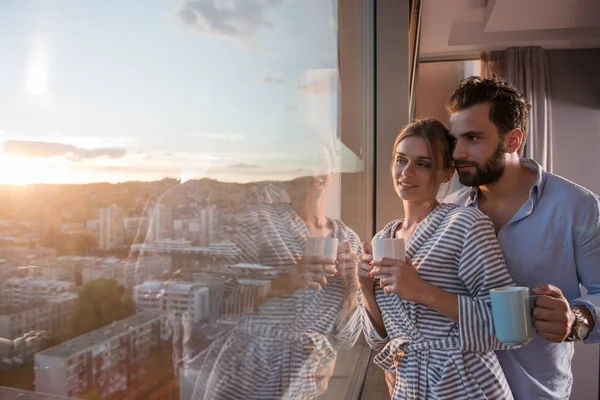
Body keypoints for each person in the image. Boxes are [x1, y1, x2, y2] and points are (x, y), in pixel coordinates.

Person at [445, 75, 600, 399]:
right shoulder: (447, 211)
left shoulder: (578, 206)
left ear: (513, 140)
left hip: (537, 392)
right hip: (457, 391)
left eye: (472, 138)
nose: (457, 152)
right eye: (454, 139)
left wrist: (578, 318)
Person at [185, 143, 362, 400]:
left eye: (319, 162)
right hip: (248, 373)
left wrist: (353, 285)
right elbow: (214, 306)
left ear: (331, 171)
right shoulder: (257, 221)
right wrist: (279, 284)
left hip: (307, 379)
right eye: (302, 162)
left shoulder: (349, 240)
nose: (312, 171)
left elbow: (347, 337)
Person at [358, 118, 517, 399]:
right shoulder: (383, 239)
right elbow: (378, 341)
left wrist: (423, 291)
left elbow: (507, 326)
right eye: (400, 160)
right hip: (408, 384)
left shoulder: (466, 223)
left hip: (465, 384)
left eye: (423, 163)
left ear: (445, 173)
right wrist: (365, 288)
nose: (406, 172)